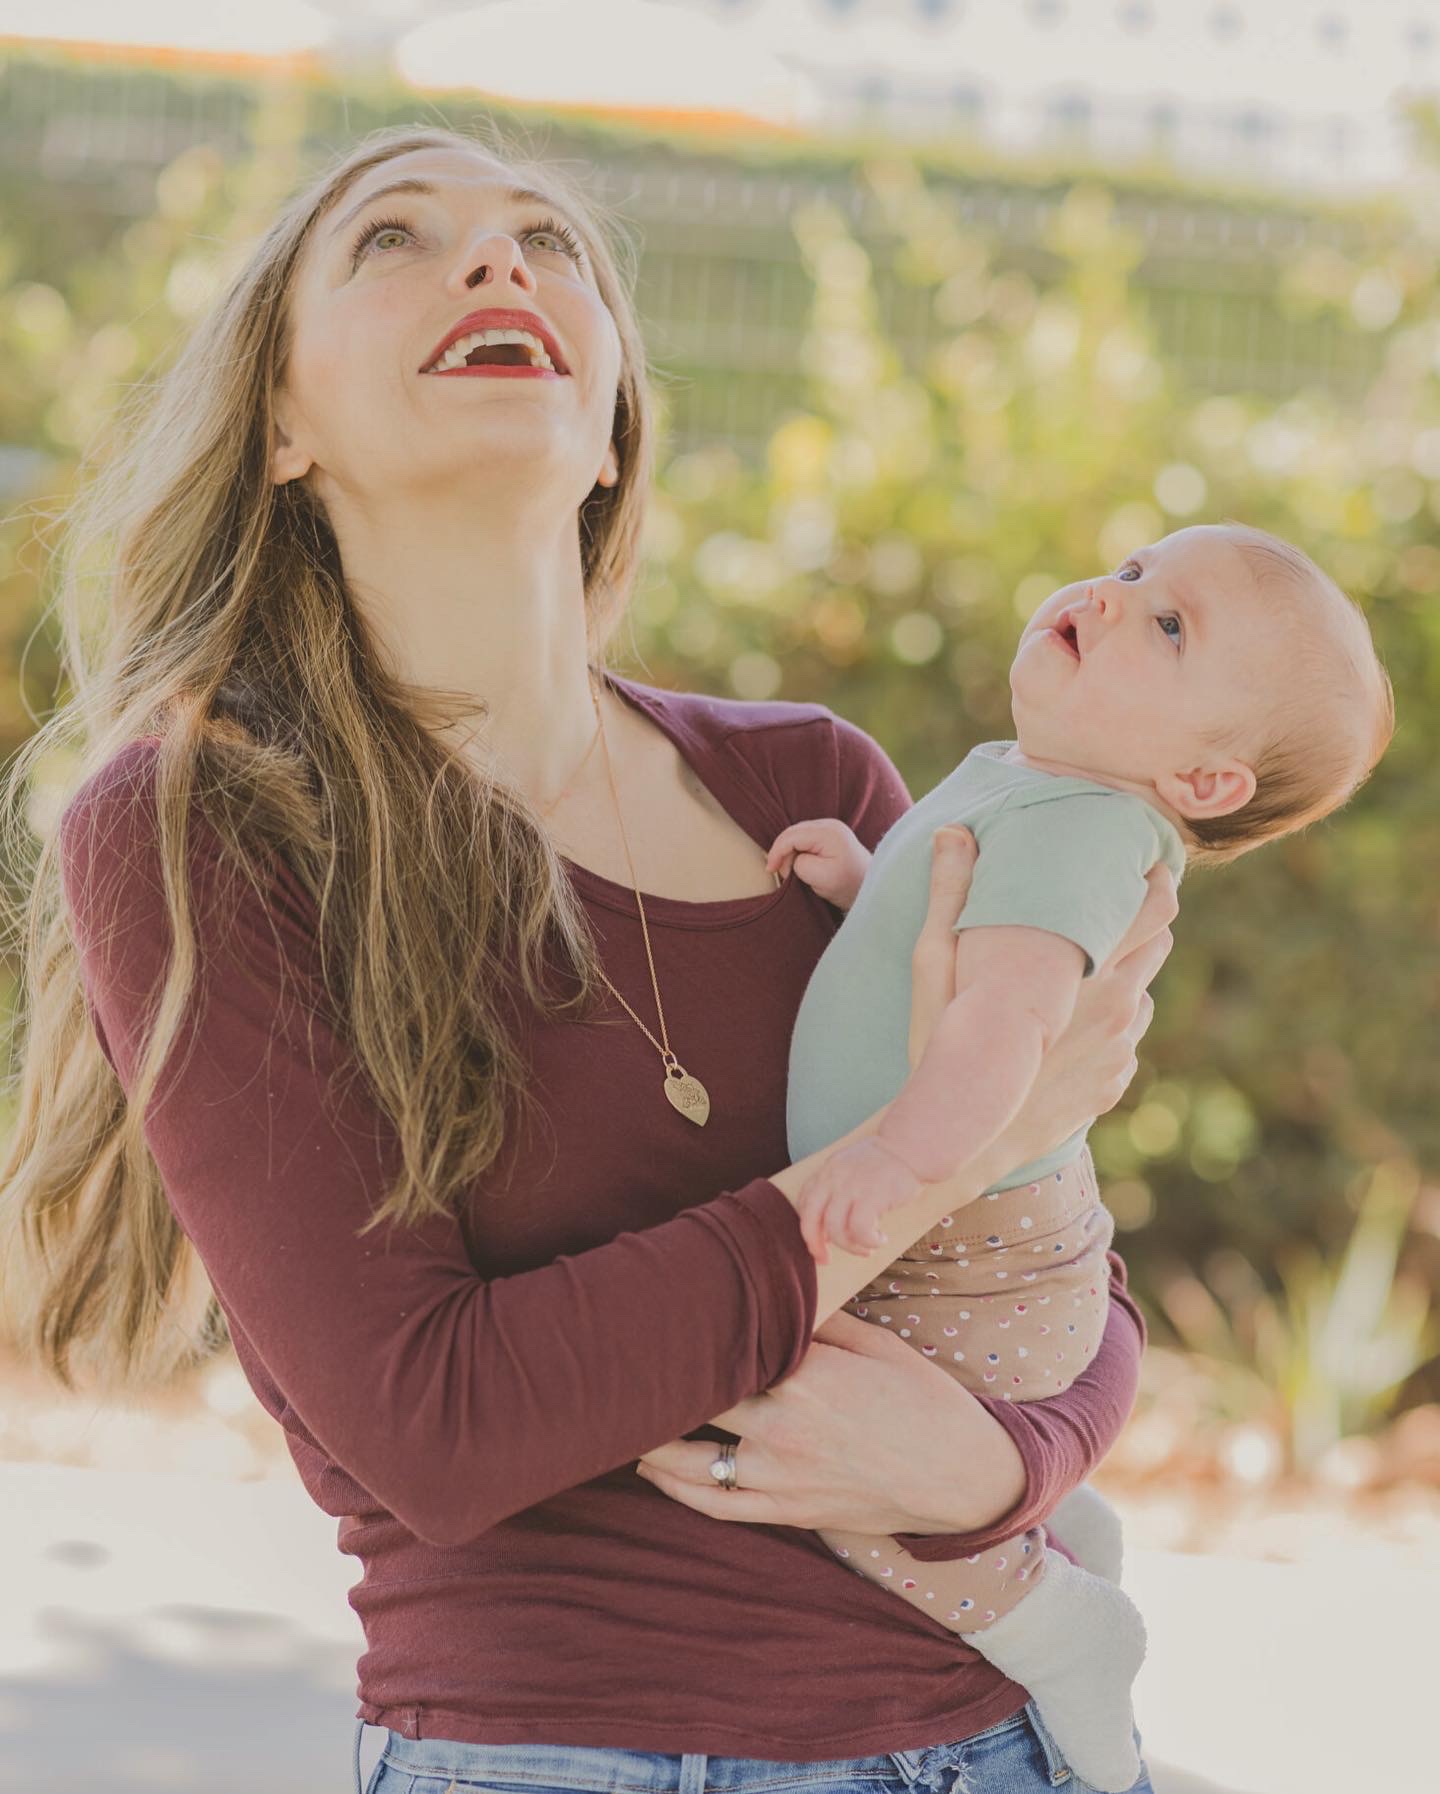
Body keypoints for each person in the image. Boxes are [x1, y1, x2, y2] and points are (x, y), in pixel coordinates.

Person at [0, 123, 1178, 1794]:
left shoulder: (812, 785)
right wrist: (923, 1158)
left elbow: (1047, 1256)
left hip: (1003, 1744)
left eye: (548, 239)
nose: (499, 262)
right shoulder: (204, 821)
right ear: (278, 423)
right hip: (573, 1753)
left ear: (615, 404)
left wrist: (1000, 1465)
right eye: (394, 238)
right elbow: (434, 1419)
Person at [766, 523, 1395, 1789]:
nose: (1113, 602)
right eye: (1131, 574)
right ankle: (1040, 1520)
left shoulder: (1090, 826)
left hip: (963, 1252)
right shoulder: (1032, 782)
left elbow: (1006, 1024)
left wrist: (900, 1165)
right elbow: (944, 940)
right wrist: (866, 884)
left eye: (1170, 627)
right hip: (981, 1234)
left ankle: (1056, 1625)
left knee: (821, 1463)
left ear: (1207, 783)